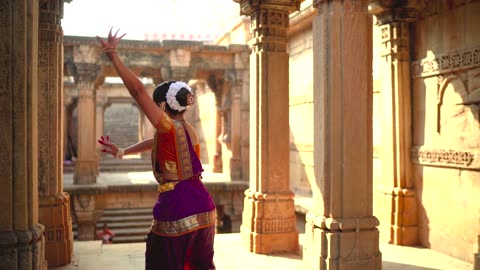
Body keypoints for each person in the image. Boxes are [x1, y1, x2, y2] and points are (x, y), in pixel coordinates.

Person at [97, 28, 216, 270]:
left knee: (162, 264)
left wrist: (113, 56)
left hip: (177, 207)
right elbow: (155, 143)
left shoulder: (167, 126)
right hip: (204, 208)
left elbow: (138, 91)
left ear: (162, 105)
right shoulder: (186, 130)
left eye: (156, 105)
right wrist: (122, 151)